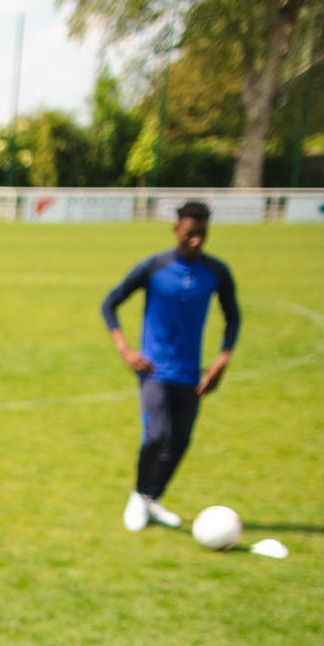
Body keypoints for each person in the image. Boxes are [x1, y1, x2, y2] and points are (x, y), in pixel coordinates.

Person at [101, 198, 241, 531]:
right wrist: (125, 349)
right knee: (156, 436)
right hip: (154, 372)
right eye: (190, 233)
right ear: (176, 229)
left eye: (202, 234)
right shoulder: (155, 268)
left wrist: (222, 359)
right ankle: (137, 496)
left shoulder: (216, 272)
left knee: (180, 442)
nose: (196, 240)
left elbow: (233, 316)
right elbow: (110, 303)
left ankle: (152, 497)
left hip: (191, 374)